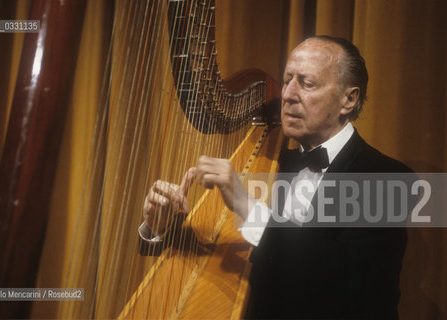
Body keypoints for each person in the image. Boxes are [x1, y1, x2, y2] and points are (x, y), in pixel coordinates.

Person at [140, 35, 411, 319]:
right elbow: (213, 252)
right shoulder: (270, 163)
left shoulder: (389, 179)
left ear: (349, 99)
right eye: (287, 80)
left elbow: (350, 289)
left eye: (307, 84)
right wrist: (160, 227)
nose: (288, 94)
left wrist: (246, 207)